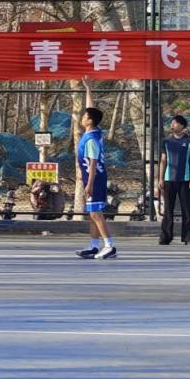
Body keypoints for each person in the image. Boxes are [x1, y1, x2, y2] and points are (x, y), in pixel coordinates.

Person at [75, 77, 116, 260]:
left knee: (95, 213)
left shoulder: (91, 139)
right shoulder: (94, 131)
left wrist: (89, 184)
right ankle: (94, 246)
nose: (82, 117)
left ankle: (109, 246)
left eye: (85, 116)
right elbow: (90, 108)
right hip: (94, 177)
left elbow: (92, 163)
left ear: (89, 121)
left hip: (95, 178)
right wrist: (88, 89)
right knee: (92, 214)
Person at [158, 116, 190, 246]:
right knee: (168, 209)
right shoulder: (166, 141)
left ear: (182, 126)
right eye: (172, 123)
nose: (172, 125)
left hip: (185, 180)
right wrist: (160, 178)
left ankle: (188, 237)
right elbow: (163, 160)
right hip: (169, 179)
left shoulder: (189, 141)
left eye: (174, 123)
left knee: (187, 210)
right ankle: (166, 237)